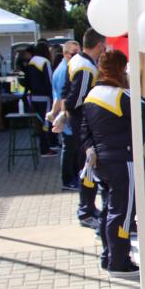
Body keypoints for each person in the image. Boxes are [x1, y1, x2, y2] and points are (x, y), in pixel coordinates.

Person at [81, 50, 145, 278]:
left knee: (108, 211)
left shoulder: (92, 95)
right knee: (123, 213)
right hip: (123, 161)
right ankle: (120, 261)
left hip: (101, 162)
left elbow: (84, 130)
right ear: (121, 69)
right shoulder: (122, 95)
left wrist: (90, 150)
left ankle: (108, 256)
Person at [63, 29, 106, 229]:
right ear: (99, 45)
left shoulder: (78, 61)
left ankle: (88, 207)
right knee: (88, 166)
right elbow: (77, 99)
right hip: (83, 123)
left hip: (81, 122)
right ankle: (86, 211)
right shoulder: (86, 68)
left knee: (87, 166)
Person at [51, 40, 81, 190]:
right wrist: (63, 115)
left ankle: (71, 178)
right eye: (75, 53)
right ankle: (68, 180)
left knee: (70, 148)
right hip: (67, 116)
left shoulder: (64, 68)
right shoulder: (64, 70)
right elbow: (63, 96)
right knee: (69, 149)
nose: (78, 56)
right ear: (66, 54)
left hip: (66, 115)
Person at [22, 45, 57, 156]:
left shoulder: (31, 62)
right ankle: (45, 149)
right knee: (46, 123)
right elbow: (50, 80)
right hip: (45, 97)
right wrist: (53, 97)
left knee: (40, 123)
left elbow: (26, 81)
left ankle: (47, 146)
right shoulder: (44, 62)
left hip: (33, 97)